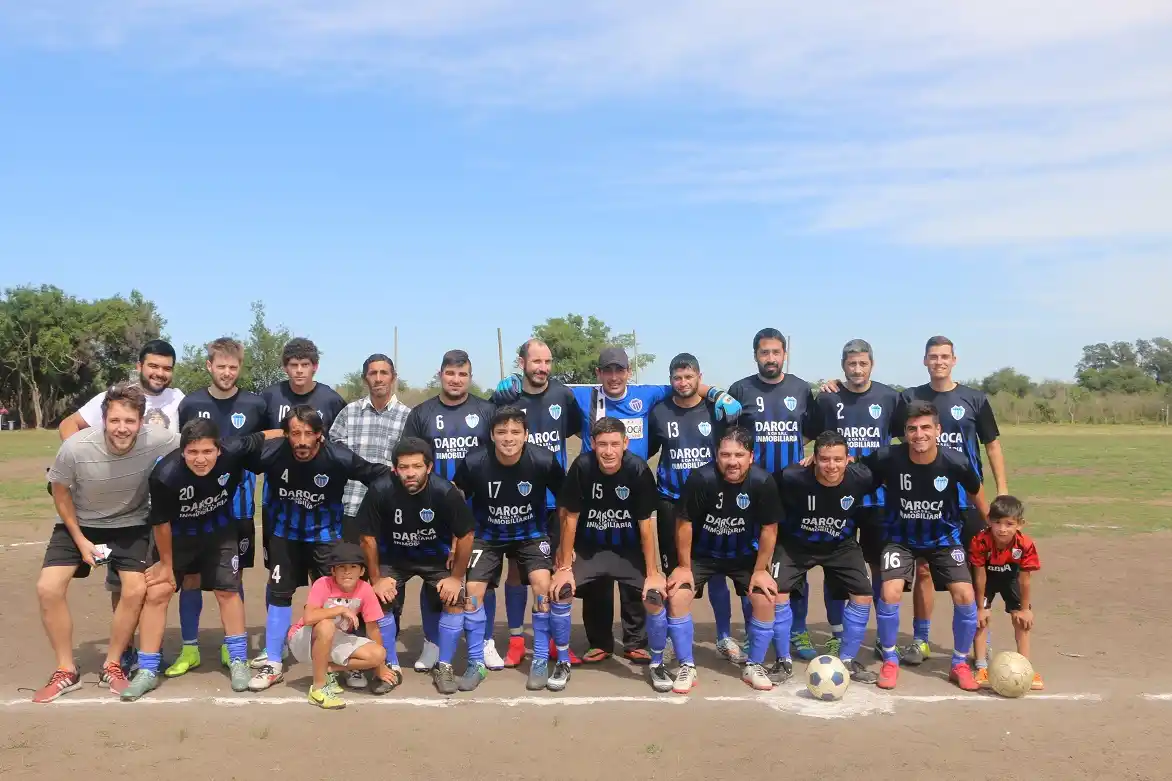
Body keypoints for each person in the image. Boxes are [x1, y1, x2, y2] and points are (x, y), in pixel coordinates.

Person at [496, 346, 740, 665]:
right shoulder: (583, 397)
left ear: (628, 372)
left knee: (635, 563)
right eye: (607, 371)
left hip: (631, 488)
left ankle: (636, 640)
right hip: (593, 494)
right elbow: (544, 385)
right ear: (598, 374)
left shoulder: (646, 394)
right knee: (595, 571)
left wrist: (717, 392)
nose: (614, 376)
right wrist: (517, 379)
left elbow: (685, 385)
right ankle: (599, 642)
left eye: (619, 370)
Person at [34, 383, 179, 702]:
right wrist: (81, 541)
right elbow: (60, 494)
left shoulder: (158, 438)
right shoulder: (75, 448)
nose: (122, 428)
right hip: (79, 522)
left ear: (141, 421)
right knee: (48, 587)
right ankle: (65, 669)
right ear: (103, 419)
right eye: (114, 420)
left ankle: (112, 664)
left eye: (129, 421)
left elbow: (198, 448)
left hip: (130, 524)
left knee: (136, 589)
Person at [122, 418, 279, 700]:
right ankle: (147, 669)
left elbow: (265, 435)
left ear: (219, 449)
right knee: (158, 592)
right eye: (192, 452)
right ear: (182, 451)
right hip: (177, 537)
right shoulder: (165, 475)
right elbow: (161, 524)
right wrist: (167, 566)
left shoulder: (233, 450)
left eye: (207, 451)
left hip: (219, 533)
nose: (201, 459)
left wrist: (299, 434)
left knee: (227, 591)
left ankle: (238, 660)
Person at [247, 405, 390, 692]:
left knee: (340, 598)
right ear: (286, 434)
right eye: (295, 433)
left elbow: (376, 474)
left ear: (320, 436)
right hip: (284, 536)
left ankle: (346, 657)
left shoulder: (338, 456)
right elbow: (234, 454)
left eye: (308, 434)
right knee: (279, 595)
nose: (301, 441)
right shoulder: (273, 452)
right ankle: (274, 661)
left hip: (326, 538)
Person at [55, 339, 185, 639]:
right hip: (124, 506)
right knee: (122, 584)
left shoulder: (181, 399)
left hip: (162, 504)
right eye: (153, 365)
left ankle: (151, 651)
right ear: (140, 366)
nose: (159, 373)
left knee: (155, 583)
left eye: (167, 368)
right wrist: (82, 468)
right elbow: (69, 425)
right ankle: (125, 649)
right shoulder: (115, 397)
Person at [892, 336, 1009, 666]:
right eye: (933, 356)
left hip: (968, 499)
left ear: (954, 360)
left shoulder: (974, 399)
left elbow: (993, 446)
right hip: (925, 500)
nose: (939, 361)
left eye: (944, 356)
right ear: (924, 361)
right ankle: (921, 639)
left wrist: (1001, 491)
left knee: (976, 570)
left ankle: (979, 640)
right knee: (925, 569)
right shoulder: (910, 398)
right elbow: (893, 439)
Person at [861, 400, 988, 691]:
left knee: (965, 594)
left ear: (938, 430)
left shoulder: (956, 461)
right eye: (912, 429)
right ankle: (890, 660)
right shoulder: (887, 457)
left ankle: (958, 663)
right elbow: (854, 473)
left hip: (944, 539)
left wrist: (990, 527)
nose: (919, 434)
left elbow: (976, 492)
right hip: (899, 538)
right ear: (904, 433)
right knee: (890, 590)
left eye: (926, 427)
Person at [169, 337, 267, 678]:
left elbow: (266, 440)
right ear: (209, 366)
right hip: (194, 508)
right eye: (220, 366)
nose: (227, 372)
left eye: (233, 367)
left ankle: (232, 646)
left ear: (240, 368)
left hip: (237, 507)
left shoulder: (255, 404)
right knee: (191, 577)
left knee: (231, 577)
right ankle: (190, 648)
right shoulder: (191, 403)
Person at [548, 417, 665, 692]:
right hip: (591, 548)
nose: (608, 451)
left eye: (615, 444)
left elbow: (646, 526)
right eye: (602, 444)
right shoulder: (583, 467)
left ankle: (657, 663)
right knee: (560, 589)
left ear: (626, 443)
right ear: (592, 444)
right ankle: (563, 660)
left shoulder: (637, 469)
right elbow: (570, 518)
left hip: (628, 549)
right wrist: (564, 564)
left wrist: (653, 573)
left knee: (655, 595)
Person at [453, 406, 566, 691]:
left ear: (526, 435)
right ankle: (476, 662)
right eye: (502, 432)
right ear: (492, 435)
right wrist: (455, 540)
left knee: (543, 586)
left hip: (531, 533)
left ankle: (539, 658)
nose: (508, 438)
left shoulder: (543, 459)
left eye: (516, 431)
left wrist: (563, 545)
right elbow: (454, 498)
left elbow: (566, 502)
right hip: (487, 535)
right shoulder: (474, 461)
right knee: (474, 591)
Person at [252, 337, 347, 669]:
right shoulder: (269, 397)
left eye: (305, 365)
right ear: (285, 368)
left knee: (329, 581)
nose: (299, 372)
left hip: (322, 508)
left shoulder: (332, 399)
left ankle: (334, 647)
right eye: (293, 365)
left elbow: (338, 449)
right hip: (280, 505)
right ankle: (273, 647)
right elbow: (257, 441)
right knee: (279, 579)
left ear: (315, 367)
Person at [665, 427, 781, 694]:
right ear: (716, 455)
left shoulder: (763, 481)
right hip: (704, 554)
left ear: (751, 457)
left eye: (739, 455)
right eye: (726, 454)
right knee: (678, 596)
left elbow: (769, 528)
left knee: (765, 597)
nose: (732, 461)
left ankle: (754, 665)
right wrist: (684, 567)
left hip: (742, 554)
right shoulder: (701, 478)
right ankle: (687, 665)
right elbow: (684, 522)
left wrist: (761, 570)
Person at [356, 437, 476, 695]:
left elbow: (466, 535)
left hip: (434, 558)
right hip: (394, 558)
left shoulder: (444, 491)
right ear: (394, 469)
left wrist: (456, 577)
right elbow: (367, 537)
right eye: (404, 467)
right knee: (377, 599)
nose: (410, 473)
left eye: (417, 466)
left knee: (456, 598)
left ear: (429, 467)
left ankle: (444, 665)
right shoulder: (380, 489)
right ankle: (391, 667)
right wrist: (376, 579)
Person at [728, 328, 821, 660]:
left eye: (776, 352)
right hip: (751, 492)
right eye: (764, 352)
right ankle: (756, 630)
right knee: (753, 562)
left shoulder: (801, 389)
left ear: (785, 354)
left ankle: (798, 630)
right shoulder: (741, 389)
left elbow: (810, 431)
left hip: (793, 491)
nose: (770, 358)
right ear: (755, 355)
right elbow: (732, 437)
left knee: (795, 563)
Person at [403, 349, 498, 670]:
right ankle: (432, 643)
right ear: (440, 375)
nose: (456, 380)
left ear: (470, 377)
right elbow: (410, 460)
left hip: (479, 510)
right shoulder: (421, 414)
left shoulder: (486, 411)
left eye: (462, 374)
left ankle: (484, 641)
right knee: (435, 579)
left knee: (481, 578)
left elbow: (497, 458)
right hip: (433, 513)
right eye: (450, 374)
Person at [492, 339, 583, 668]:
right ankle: (517, 639)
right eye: (536, 361)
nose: (542, 368)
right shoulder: (507, 396)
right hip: (519, 501)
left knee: (558, 569)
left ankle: (557, 642)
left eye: (547, 361)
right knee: (517, 571)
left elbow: (574, 429)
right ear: (522, 362)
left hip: (553, 500)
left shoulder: (563, 394)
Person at [648, 353, 743, 664]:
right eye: (677, 377)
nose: (683, 382)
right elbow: (646, 449)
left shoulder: (714, 410)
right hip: (671, 501)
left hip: (709, 502)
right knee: (675, 572)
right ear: (671, 378)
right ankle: (678, 638)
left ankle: (724, 635)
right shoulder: (659, 411)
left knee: (714, 571)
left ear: (699, 377)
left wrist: (715, 392)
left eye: (689, 377)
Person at [811, 339, 901, 657]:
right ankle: (837, 633)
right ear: (843, 365)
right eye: (852, 364)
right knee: (835, 566)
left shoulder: (890, 398)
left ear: (872, 365)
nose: (857, 369)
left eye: (863, 363)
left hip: (878, 499)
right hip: (838, 499)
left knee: (879, 568)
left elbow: (909, 439)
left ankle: (878, 634)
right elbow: (809, 437)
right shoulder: (827, 398)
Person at [328, 353, 411, 689]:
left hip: (391, 516)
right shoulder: (348, 413)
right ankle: (354, 657)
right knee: (350, 588)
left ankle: (385, 655)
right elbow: (334, 454)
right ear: (365, 378)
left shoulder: (408, 417)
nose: (378, 379)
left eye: (384, 373)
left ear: (393, 377)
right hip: (351, 509)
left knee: (387, 588)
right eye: (372, 373)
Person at [774, 431, 882, 685]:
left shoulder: (862, 477)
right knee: (777, 593)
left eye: (837, 459)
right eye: (824, 459)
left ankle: (846, 660)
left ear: (848, 460)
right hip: (796, 544)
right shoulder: (792, 476)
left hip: (840, 544)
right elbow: (766, 493)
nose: (831, 466)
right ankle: (782, 660)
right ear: (814, 458)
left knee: (863, 594)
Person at [287, 543, 394, 709]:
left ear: (362, 571)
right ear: (333, 571)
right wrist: (340, 609)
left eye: (353, 567)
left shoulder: (365, 589)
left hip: (335, 639)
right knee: (326, 625)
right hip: (302, 640)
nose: (347, 571)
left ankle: (327, 669)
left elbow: (373, 629)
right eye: (341, 567)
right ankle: (318, 689)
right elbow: (308, 618)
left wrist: (379, 668)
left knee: (378, 654)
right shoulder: (322, 584)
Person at [970, 495, 1043, 691]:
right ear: (988, 521)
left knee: (1021, 620)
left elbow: (1025, 579)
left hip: (1012, 578)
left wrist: (1025, 609)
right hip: (987, 579)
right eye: (997, 523)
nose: (1002, 529)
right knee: (980, 619)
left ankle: (1025, 668)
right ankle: (981, 666)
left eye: (1009, 524)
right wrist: (979, 607)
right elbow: (979, 575)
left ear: (1020, 524)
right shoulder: (980, 541)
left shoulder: (1025, 545)